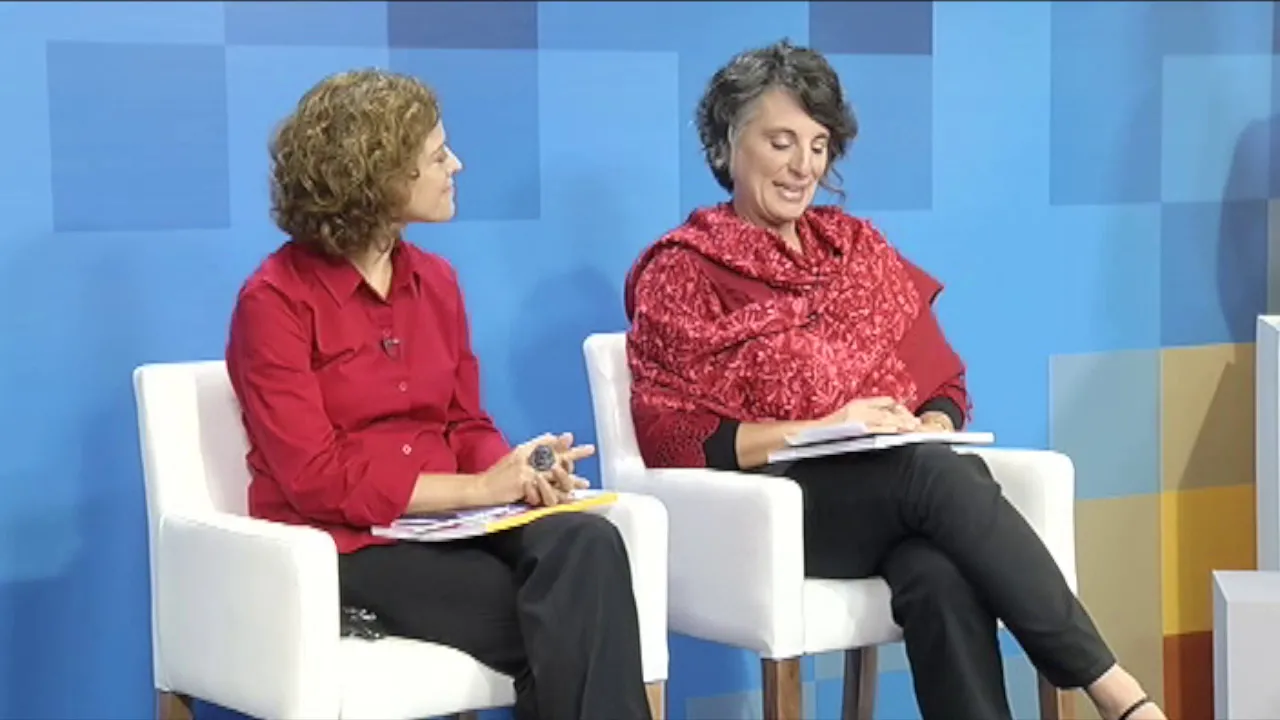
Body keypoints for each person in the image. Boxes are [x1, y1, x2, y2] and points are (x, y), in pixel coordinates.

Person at [623, 41, 1165, 720]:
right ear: (729, 143)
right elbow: (672, 436)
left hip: (889, 496)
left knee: (937, 572)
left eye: (818, 146)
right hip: (769, 511)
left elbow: (943, 380)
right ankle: (1117, 692)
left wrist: (932, 420)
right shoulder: (684, 270)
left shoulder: (855, 250)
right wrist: (821, 429)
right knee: (935, 474)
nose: (803, 167)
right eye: (781, 142)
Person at [225, 69, 651, 720]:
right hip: (349, 545)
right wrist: (478, 489)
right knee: (571, 619)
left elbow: (463, 422)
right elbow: (315, 478)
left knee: (586, 544)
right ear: (376, 176)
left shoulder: (438, 281)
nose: (456, 165)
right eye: (436, 155)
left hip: (450, 525)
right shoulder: (274, 302)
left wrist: (517, 471)